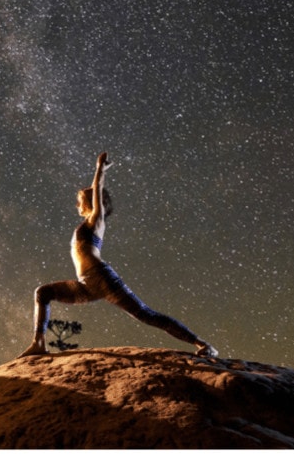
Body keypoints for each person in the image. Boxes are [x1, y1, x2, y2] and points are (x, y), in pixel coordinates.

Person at [20, 152, 218, 359]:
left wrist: (99, 170)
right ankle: (38, 343)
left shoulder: (96, 220)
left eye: (80, 201)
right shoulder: (86, 224)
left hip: (102, 278)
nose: (77, 205)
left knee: (146, 314)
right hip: (86, 285)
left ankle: (203, 344)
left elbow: (97, 190)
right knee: (43, 293)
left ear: (90, 202)